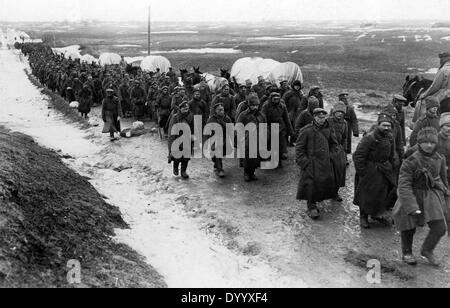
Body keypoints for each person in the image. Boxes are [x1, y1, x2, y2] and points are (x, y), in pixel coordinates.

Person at [393, 127, 449, 267]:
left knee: (440, 227)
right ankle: (407, 252)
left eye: (432, 142)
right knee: (408, 225)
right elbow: (404, 185)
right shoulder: (411, 160)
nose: (429, 145)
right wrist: (411, 206)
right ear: (419, 143)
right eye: (425, 142)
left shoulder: (439, 159)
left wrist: (445, 191)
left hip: (430, 195)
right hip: (412, 195)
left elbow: (442, 178)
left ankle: (427, 250)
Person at [353, 114, 397, 228]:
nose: (386, 128)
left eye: (389, 125)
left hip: (384, 169)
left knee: (381, 194)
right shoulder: (370, 138)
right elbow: (358, 156)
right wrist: (363, 172)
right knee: (366, 194)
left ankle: (376, 214)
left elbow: (392, 154)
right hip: (370, 170)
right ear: (378, 125)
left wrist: (393, 166)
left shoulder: (390, 137)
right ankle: (363, 216)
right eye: (384, 125)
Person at [296, 108, 339, 220]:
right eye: (319, 117)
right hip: (311, 162)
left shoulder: (329, 129)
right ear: (314, 117)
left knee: (323, 182)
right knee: (310, 184)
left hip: (325, 162)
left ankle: (318, 200)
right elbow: (299, 148)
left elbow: (334, 144)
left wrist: (331, 156)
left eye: (324, 117)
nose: (322, 120)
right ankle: (311, 206)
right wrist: (304, 162)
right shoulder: (306, 130)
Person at [236, 94, 267, 182]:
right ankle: (246, 173)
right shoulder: (243, 114)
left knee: (255, 158)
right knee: (247, 157)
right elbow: (238, 125)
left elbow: (265, 126)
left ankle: (252, 172)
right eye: (253, 105)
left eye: (257, 105)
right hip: (246, 139)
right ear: (249, 105)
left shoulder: (261, 115)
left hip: (258, 139)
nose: (255, 107)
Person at [261, 92, 293, 167]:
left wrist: (290, 130)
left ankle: (278, 160)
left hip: (280, 127)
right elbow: (263, 117)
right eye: (274, 99)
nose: (276, 101)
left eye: (277, 99)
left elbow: (286, 118)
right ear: (271, 99)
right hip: (269, 126)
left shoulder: (282, 106)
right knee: (270, 144)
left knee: (280, 144)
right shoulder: (266, 106)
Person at [328, 102, 348, 202]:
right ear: (334, 112)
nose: (340, 114)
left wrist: (344, 150)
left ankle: (334, 192)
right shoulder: (328, 121)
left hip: (339, 149)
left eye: (342, 112)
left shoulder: (345, 123)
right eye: (338, 112)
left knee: (340, 171)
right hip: (328, 148)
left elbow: (345, 138)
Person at [205, 103, 233, 178]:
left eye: (222, 109)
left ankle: (215, 161)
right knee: (218, 152)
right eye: (219, 110)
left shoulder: (227, 118)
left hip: (225, 139)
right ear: (215, 111)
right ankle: (219, 169)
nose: (221, 111)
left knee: (225, 152)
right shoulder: (212, 119)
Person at [168, 101, 194, 179]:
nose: (186, 109)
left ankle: (183, 171)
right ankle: (175, 167)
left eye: (187, 108)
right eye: (184, 108)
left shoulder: (191, 116)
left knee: (186, 157)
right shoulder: (175, 117)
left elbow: (193, 127)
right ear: (180, 109)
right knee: (177, 156)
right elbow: (172, 130)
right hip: (177, 139)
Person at [282, 80, 308, 146]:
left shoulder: (300, 94)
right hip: (289, 112)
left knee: (295, 127)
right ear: (293, 86)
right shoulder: (289, 93)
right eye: (296, 86)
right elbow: (283, 101)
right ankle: (285, 141)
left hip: (297, 113)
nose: (297, 87)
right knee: (288, 126)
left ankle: (292, 141)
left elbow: (303, 102)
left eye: (298, 86)